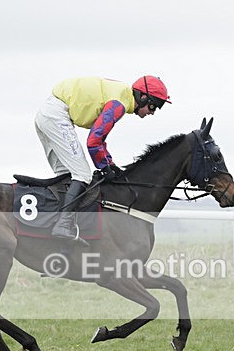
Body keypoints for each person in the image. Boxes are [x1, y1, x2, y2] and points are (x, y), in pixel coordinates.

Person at [34, 75, 171, 244]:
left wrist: (110, 164)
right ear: (142, 97)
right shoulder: (119, 104)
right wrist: (105, 168)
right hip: (56, 116)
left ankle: (59, 232)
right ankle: (62, 225)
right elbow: (93, 141)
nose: (152, 112)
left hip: (47, 114)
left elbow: (99, 139)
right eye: (153, 106)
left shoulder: (121, 96)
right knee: (82, 175)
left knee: (67, 176)